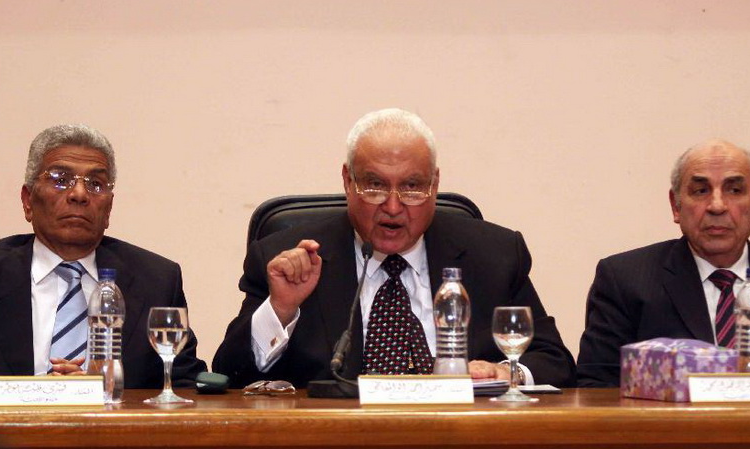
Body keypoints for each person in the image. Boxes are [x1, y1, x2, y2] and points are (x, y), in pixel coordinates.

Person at [214, 108, 575, 388]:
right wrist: (281, 308)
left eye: (412, 187)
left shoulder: (493, 254)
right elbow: (229, 373)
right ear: (347, 181)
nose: (392, 205)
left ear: (435, 184)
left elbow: (554, 361)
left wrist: (503, 372)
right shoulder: (287, 256)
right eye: (374, 185)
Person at [0, 124, 206, 389]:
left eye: (96, 184)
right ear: (28, 200)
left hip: (116, 430)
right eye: (60, 179)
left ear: (108, 208)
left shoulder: (156, 280)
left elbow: (183, 384)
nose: (79, 194)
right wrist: (45, 392)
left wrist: (102, 394)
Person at [577, 139, 750, 387]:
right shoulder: (625, 280)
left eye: (734, 190)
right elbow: (596, 389)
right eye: (700, 191)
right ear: (676, 205)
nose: (717, 206)